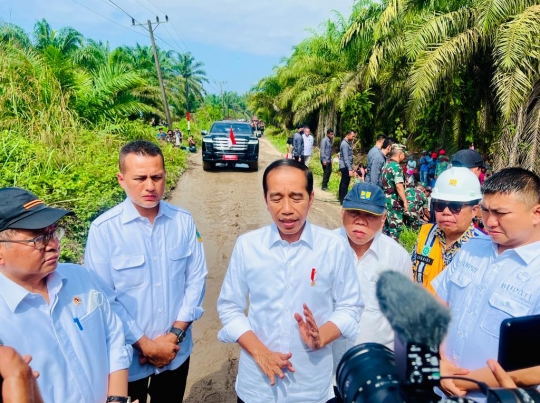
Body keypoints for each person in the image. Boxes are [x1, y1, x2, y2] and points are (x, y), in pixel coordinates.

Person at [217, 159, 364, 403]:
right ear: (266, 200)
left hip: (312, 387)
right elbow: (229, 307)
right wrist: (261, 353)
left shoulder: (334, 247)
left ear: (311, 198)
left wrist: (321, 337)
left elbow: (351, 306)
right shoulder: (248, 246)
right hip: (257, 387)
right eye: (276, 198)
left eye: (296, 197)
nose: (286, 208)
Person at [85, 140, 208, 403]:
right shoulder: (104, 231)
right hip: (127, 359)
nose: (150, 186)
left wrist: (175, 334)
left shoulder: (183, 222)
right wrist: (147, 345)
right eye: (140, 178)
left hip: (176, 351)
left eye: (157, 177)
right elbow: (104, 299)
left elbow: (196, 280)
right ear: (121, 179)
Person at [0, 187, 132, 403]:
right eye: (38, 239)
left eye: (53, 232)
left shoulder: (81, 278)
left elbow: (114, 336)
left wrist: (117, 399)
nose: (53, 245)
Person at [432, 167, 540, 398]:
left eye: (501, 213)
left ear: (536, 213)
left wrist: (460, 380)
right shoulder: (473, 248)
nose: (490, 221)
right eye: (485, 210)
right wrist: (433, 361)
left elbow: (535, 370)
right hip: (439, 390)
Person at [332, 183, 412, 402]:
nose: (360, 221)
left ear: (384, 218)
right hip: (325, 374)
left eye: (370, 215)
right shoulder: (324, 249)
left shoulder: (397, 258)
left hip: (375, 378)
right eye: (354, 213)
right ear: (342, 212)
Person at [411, 167, 485, 294]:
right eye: (440, 206)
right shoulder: (426, 233)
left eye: (455, 207)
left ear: (474, 210)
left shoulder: (484, 247)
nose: (446, 212)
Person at [381, 144, 408, 241]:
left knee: (385, 229)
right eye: (404, 154)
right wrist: (405, 201)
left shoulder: (386, 165)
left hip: (385, 201)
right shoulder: (396, 167)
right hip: (394, 203)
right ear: (400, 154)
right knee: (394, 230)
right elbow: (398, 186)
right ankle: (393, 253)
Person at [338, 130, 356, 205]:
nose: (353, 137)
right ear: (348, 135)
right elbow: (346, 158)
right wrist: (349, 169)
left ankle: (341, 198)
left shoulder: (347, 143)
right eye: (353, 136)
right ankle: (343, 199)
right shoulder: (345, 144)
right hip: (345, 166)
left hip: (345, 165)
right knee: (345, 183)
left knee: (343, 182)